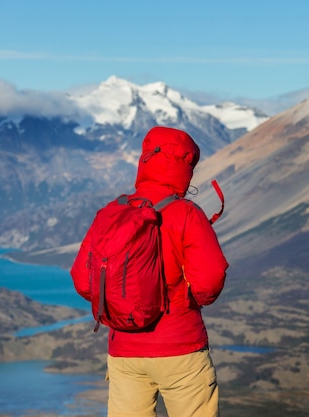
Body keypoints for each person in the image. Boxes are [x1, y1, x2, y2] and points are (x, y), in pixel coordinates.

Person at [71, 126, 228, 417]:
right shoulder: (187, 213)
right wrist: (190, 301)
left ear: (144, 159)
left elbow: (83, 280)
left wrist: (121, 304)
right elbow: (209, 280)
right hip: (181, 348)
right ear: (186, 166)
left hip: (124, 351)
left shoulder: (113, 212)